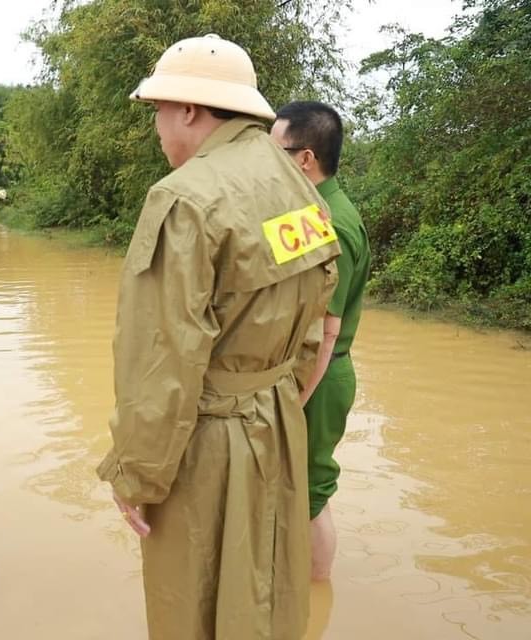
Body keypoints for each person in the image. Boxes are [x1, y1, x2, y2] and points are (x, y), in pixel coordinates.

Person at [96, 35, 341, 639]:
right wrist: (276, 400)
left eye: (158, 109)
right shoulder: (298, 186)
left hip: (205, 438)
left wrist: (136, 475)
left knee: (193, 601)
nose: (156, 126)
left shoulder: (184, 198)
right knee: (267, 593)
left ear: (189, 109)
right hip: (280, 419)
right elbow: (315, 322)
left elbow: (160, 359)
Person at [272, 101, 372, 581]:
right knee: (290, 488)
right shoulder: (313, 212)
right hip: (307, 370)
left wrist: (294, 402)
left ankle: (316, 597)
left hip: (320, 374)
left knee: (311, 491)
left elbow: (326, 332)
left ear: (305, 159)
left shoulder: (330, 223)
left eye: (277, 154)